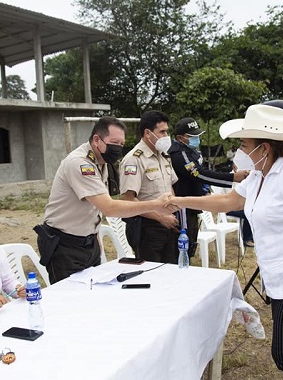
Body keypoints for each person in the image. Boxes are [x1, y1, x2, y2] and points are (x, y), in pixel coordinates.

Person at [169, 104, 283, 380]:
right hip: (281, 276)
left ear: (265, 148)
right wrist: (180, 201)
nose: (241, 152)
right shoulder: (260, 175)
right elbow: (228, 201)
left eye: (245, 145)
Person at [37, 116, 176, 283]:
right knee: (71, 301)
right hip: (65, 246)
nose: (117, 148)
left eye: (121, 145)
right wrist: (157, 205)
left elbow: (92, 207)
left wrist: (95, 237)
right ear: (97, 140)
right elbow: (108, 208)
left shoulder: (101, 162)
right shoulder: (80, 163)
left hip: (87, 243)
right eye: (114, 142)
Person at [168, 117, 249, 257]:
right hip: (182, 206)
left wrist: (205, 190)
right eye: (192, 136)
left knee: (191, 244)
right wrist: (232, 177)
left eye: (198, 135)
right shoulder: (179, 154)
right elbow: (199, 174)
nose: (196, 139)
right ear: (180, 138)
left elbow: (202, 175)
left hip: (193, 203)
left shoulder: (190, 150)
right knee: (182, 247)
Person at [119, 110, 180, 263]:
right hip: (147, 227)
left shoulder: (164, 156)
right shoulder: (134, 160)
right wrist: (160, 217)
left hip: (168, 224)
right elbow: (127, 199)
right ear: (147, 133)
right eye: (162, 132)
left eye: (167, 131)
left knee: (170, 273)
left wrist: (172, 212)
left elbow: (170, 186)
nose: (166, 136)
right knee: (152, 276)